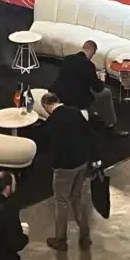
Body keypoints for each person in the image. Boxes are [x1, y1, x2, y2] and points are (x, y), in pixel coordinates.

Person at [41, 91, 98, 250]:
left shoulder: (52, 120)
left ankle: (61, 239)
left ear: (46, 105)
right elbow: (90, 133)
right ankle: (85, 236)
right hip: (81, 162)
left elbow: (46, 143)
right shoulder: (75, 112)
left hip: (64, 167)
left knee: (61, 201)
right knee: (77, 198)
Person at [52, 40, 124, 137]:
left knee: (85, 90)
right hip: (77, 100)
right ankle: (111, 124)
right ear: (91, 52)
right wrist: (101, 79)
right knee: (106, 92)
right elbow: (98, 88)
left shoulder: (67, 59)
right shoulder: (88, 65)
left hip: (60, 95)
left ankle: (95, 114)